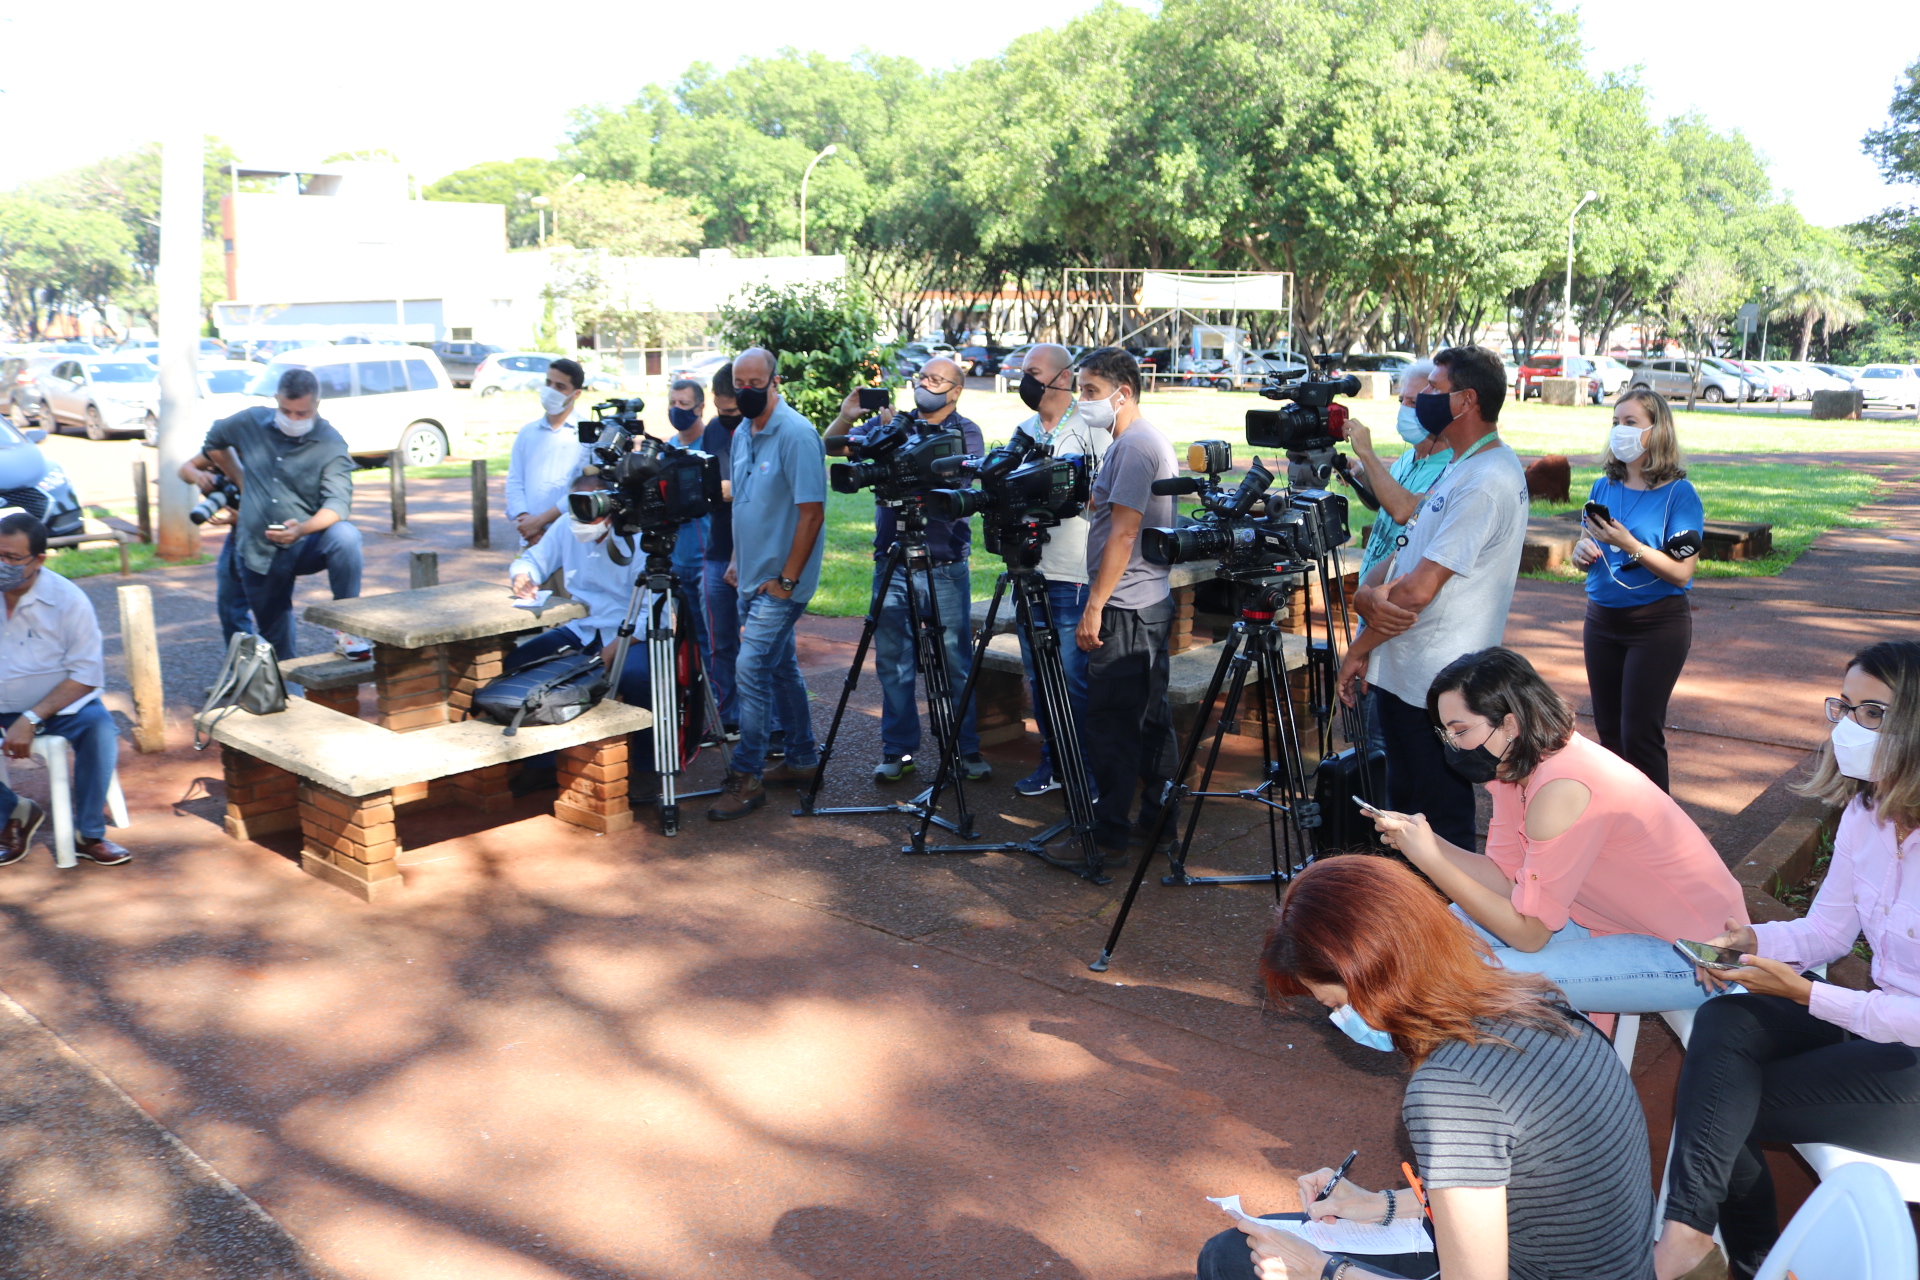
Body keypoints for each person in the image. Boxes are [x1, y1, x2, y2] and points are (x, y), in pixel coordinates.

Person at [1197, 855, 1654, 1280]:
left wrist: (1322, 1271)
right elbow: (1527, 1195)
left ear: (1375, 980)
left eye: (1336, 1004)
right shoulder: (1535, 1003)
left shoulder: (1450, 1088)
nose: (1342, 1022)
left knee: (1231, 1260)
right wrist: (1383, 1206)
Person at [1654, 639, 1920, 1280]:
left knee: (1724, 1100)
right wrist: (1752, 943)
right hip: (1874, 1024)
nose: (1848, 727)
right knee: (1727, 1024)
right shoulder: (1867, 813)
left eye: (1873, 713)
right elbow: (1828, 932)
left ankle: (1734, 1256)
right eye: (1844, 707)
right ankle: (1702, 1243)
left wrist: (1806, 996)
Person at [1366, 646, 1746, 1015]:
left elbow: (1530, 935)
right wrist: (1428, 841)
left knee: (1472, 975)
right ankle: (1367, 1009)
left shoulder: (1561, 788)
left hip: (1707, 953)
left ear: (1510, 724)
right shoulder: (1516, 771)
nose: (1453, 746)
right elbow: (1504, 879)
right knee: (1440, 935)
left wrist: (1431, 860)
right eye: (1446, 735)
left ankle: (1497, 1072)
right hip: (1619, 925)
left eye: (1459, 731)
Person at [1335, 345, 1529, 853]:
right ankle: (1409, 914)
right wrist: (1367, 596)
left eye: (1434, 390)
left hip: (1438, 681)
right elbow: (1408, 543)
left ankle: (1446, 921)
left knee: (1439, 817)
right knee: (1404, 805)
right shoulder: (1461, 465)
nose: (1421, 399)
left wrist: (1358, 648)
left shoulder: (1486, 479)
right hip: (1409, 672)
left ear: (1466, 401)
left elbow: (1417, 590)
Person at [825, 356, 989, 784]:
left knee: (955, 659)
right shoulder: (893, 425)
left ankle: (964, 748)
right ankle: (898, 751)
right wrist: (849, 417)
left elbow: (958, 484)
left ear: (954, 391)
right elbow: (831, 446)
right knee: (893, 660)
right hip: (892, 559)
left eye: (937, 379)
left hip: (945, 562)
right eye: (923, 376)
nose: (927, 383)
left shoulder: (965, 432)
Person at [708, 347, 826, 821]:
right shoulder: (740, 433)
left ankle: (747, 775)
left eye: (757, 383)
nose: (748, 391)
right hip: (750, 575)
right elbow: (743, 502)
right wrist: (737, 558)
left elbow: (812, 512)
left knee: (751, 669)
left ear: (777, 381)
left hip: (781, 582)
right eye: (741, 384)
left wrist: (788, 579)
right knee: (778, 669)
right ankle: (801, 759)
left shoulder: (796, 434)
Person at [1569, 388, 1702, 792]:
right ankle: (1620, 823)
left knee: (1639, 735)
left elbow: (1682, 573)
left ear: (1656, 432)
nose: (1620, 431)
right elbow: (1584, 547)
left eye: (1631, 423)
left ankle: (1657, 834)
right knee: (1610, 736)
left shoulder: (1679, 494)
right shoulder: (1602, 487)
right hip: (1601, 620)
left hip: (1656, 626)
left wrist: (1632, 546)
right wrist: (1581, 551)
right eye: (1615, 422)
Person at [1076, 347, 1178, 867]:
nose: (1082, 401)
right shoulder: (1134, 442)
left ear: (1124, 392)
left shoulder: (1136, 446)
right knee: (1147, 719)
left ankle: (1111, 836)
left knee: (1114, 726)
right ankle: (1157, 821)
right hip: (1144, 602)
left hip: (1126, 608)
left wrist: (1095, 605)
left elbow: (1125, 531)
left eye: (1091, 391)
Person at [202, 368, 365, 661]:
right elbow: (214, 441)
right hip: (259, 549)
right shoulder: (251, 421)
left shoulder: (330, 442)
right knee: (277, 641)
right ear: (276, 399)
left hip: (306, 543)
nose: (293, 419)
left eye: (301, 413)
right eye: (285, 410)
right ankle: (288, 696)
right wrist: (240, 477)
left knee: (346, 536)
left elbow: (338, 506)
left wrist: (302, 528)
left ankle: (347, 626)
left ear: (316, 404)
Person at [1006, 342, 1108, 798]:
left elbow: (1108, 503)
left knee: (1073, 683)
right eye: (1023, 370)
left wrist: (1066, 490)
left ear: (1063, 378)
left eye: (1034, 371)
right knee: (1038, 679)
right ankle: (1053, 762)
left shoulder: (1093, 429)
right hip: (1029, 573)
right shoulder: (1023, 431)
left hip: (1073, 578)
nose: (1026, 379)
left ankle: (1086, 772)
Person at [0, 513, 130, 867]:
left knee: (100, 728)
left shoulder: (68, 601)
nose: (2, 565)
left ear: (39, 559)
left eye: (12, 558)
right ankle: (14, 813)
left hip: (61, 708)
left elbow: (87, 675)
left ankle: (87, 835)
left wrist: (29, 718)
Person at [1343, 358, 1453, 761]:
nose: (1406, 410)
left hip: (1399, 614)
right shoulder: (1412, 456)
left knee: (1384, 744)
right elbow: (1386, 503)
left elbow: (1408, 510)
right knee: (1367, 734)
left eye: (1415, 400)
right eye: (1403, 400)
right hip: (1375, 605)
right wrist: (1361, 474)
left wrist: (1369, 455)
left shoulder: (1452, 465)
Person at [700, 364, 745, 737]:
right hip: (717, 548)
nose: (724, 418)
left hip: (755, 553)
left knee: (767, 651)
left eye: (731, 412)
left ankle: (774, 729)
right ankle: (727, 720)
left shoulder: (763, 430)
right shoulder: (715, 428)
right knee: (720, 643)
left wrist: (735, 490)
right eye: (719, 410)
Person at [505, 357, 589, 547]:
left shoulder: (586, 437)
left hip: (569, 541)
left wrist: (541, 521)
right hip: (530, 538)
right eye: (548, 383)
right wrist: (526, 521)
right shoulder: (528, 433)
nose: (551, 390)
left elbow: (583, 490)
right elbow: (515, 481)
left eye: (560, 387)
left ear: (575, 394)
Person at [179, 450, 253, 644]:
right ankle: (243, 668)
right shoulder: (222, 446)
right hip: (237, 536)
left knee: (273, 614)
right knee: (230, 608)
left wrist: (246, 518)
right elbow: (185, 469)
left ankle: (279, 669)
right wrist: (200, 476)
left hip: (266, 535)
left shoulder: (264, 444)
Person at [665, 377, 712, 675]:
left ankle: (718, 700)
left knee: (711, 637)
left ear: (700, 407)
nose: (677, 409)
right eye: (672, 403)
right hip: (674, 559)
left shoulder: (711, 445)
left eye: (684, 404)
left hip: (706, 559)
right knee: (684, 634)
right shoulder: (667, 448)